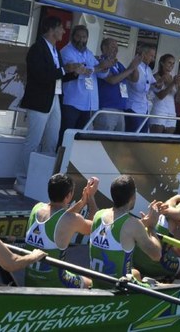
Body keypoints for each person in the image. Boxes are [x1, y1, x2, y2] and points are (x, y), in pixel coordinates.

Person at [16, 16, 76, 194]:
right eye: (62, 28)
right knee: (33, 141)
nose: (64, 32)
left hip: (54, 98)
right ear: (52, 29)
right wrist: (66, 69)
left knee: (51, 140)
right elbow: (41, 74)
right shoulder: (37, 49)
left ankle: (43, 178)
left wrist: (75, 72)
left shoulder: (55, 50)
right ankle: (21, 179)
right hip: (39, 100)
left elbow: (57, 75)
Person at [25, 174, 99, 288]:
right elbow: (95, 227)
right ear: (69, 195)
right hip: (55, 282)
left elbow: (62, 217)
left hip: (30, 280)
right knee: (90, 283)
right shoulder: (70, 220)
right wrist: (91, 198)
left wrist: (82, 202)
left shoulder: (37, 208)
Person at [88, 175, 165, 284]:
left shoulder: (98, 215)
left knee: (136, 273)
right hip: (120, 289)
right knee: (168, 284)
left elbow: (114, 230)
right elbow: (156, 255)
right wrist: (151, 227)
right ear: (133, 196)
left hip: (96, 283)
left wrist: (142, 225)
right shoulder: (133, 225)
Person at [133, 180, 180, 280]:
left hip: (136, 258)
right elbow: (178, 250)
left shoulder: (168, 205)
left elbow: (175, 198)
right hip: (151, 264)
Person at [59, 25, 111, 143]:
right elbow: (82, 71)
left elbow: (101, 74)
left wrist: (106, 67)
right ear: (72, 37)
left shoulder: (89, 53)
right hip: (72, 102)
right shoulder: (66, 51)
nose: (81, 40)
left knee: (80, 138)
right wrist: (99, 67)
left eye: (84, 37)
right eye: (78, 36)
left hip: (88, 104)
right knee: (66, 136)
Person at [93, 37, 140, 132]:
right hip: (106, 108)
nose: (116, 50)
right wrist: (130, 69)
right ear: (104, 48)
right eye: (113, 47)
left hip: (120, 109)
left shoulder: (118, 64)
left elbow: (133, 79)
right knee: (103, 141)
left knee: (116, 143)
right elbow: (112, 80)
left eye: (117, 47)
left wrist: (135, 65)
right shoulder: (100, 62)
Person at [125, 44, 156, 133]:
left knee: (143, 137)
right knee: (132, 137)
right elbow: (135, 85)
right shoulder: (134, 67)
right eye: (151, 56)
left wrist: (159, 83)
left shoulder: (149, 70)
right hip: (133, 108)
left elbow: (154, 85)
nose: (153, 59)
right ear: (144, 54)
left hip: (144, 108)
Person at [149, 53, 178, 134]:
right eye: (169, 62)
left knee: (167, 142)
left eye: (173, 63)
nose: (171, 65)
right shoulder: (156, 77)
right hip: (159, 111)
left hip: (172, 112)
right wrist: (173, 83)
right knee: (156, 141)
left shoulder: (173, 78)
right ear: (162, 63)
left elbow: (178, 99)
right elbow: (160, 96)